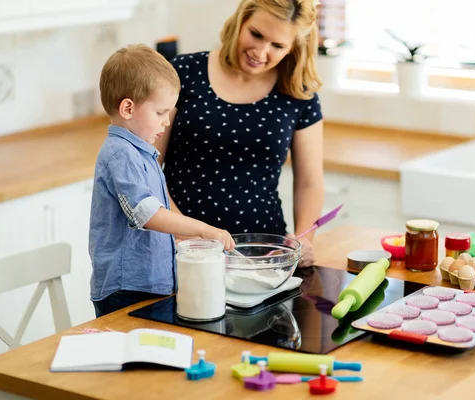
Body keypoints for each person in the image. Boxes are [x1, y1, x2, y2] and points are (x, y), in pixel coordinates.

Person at [157, 0, 325, 268]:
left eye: (277, 45)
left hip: (264, 258)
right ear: (240, 22)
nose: (260, 52)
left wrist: (305, 239)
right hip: (182, 252)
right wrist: (185, 235)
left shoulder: (298, 93)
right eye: (256, 34)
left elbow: (309, 182)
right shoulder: (183, 73)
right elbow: (148, 166)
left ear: (293, 47)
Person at [89, 44, 235, 318]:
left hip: (149, 284)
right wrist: (203, 229)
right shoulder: (121, 154)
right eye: (160, 113)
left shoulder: (141, 152)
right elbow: (147, 213)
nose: (167, 122)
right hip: (127, 290)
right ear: (128, 108)